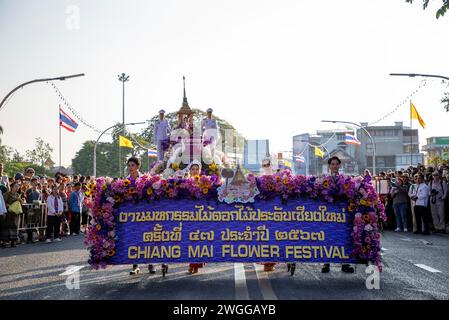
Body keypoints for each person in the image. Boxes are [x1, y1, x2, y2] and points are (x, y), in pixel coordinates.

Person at [322, 156, 354, 274]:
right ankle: (326, 263)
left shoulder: (345, 179)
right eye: (332, 164)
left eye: (336, 164)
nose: (335, 166)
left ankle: (345, 263)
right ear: (329, 166)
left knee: (343, 237)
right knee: (328, 237)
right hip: (328, 213)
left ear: (340, 165)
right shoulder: (324, 179)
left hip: (342, 213)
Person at [187, 160, 206, 274]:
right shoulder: (185, 182)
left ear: (200, 170)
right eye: (192, 169)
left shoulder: (204, 182)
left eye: (196, 169)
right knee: (190, 239)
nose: (194, 171)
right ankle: (191, 264)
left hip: (201, 214)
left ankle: (197, 263)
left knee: (199, 239)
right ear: (189, 171)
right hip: (189, 215)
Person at [1, 181, 23, 247]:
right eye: (15, 186)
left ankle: (13, 242)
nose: (17, 188)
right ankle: (5, 242)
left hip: (15, 214)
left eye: (18, 186)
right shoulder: (7, 194)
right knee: (7, 227)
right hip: (8, 213)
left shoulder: (17, 195)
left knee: (14, 226)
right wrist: (9, 205)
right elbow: (3, 203)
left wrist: (20, 200)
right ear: (11, 187)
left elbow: (21, 203)